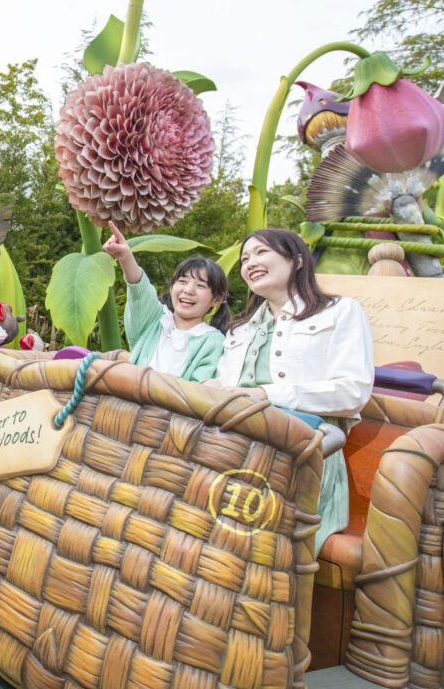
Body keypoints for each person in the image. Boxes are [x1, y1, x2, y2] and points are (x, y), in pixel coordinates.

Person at [208, 227, 374, 548]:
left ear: (298, 260)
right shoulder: (238, 331)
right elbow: (225, 389)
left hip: (304, 456)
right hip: (231, 452)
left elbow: (353, 390)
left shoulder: (340, 312)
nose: (249, 263)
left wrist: (267, 394)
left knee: (267, 554)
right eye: (244, 258)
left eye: (261, 252)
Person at [102, 221, 230, 382]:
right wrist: (125, 257)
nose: (188, 290)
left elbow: (199, 389)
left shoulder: (214, 341)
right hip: (127, 405)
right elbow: (139, 292)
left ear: (216, 300)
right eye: (183, 281)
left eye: (200, 285)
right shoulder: (154, 321)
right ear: (171, 287)